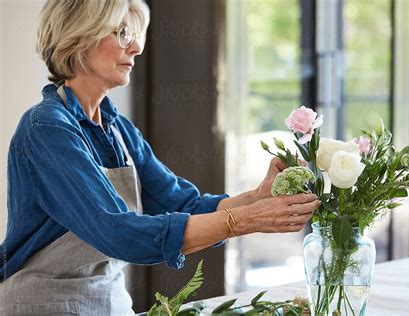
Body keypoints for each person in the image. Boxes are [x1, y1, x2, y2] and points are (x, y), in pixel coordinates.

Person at [0, 0, 320, 315]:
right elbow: (118, 233)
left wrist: (256, 197)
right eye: (123, 33)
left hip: (108, 302)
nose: (137, 47)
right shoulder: (46, 129)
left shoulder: (118, 130)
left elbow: (182, 204)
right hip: (41, 304)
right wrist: (246, 221)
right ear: (79, 36)